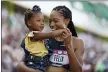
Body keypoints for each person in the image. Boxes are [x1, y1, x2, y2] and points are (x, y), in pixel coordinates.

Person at [17, 5, 84, 72]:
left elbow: (78, 70)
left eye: (55, 21)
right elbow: (22, 64)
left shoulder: (78, 43)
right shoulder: (44, 39)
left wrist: (69, 46)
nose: (51, 24)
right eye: (50, 21)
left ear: (67, 21)